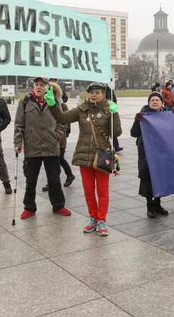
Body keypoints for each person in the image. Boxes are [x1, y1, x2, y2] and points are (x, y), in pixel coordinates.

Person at [48, 82, 121, 236]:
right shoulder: (82, 110)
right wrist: (52, 104)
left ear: (103, 94)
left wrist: (115, 113)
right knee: (88, 191)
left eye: (98, 92)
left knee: (102, 192)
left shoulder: (109, 110)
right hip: (83, 156)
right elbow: (62, 118)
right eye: (91, 92)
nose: (94, 94)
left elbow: (117, 133)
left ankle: (102, 220)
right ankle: (92, 218)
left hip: (102, 157)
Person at [13, 77, 72, 219]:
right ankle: (29, 207)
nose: (38, 87)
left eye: (42, 85)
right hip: (32, 147)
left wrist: (56, 136)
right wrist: (18, 142)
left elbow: (62, 122)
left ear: (47, 87)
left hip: (51, 147)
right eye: (36, 84)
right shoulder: (25, 101)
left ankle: (58, 206)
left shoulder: (54, 101)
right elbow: (19, 124)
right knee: (31, 180)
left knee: (54, 179)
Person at [131, 92, 169, 218]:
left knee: (160, 177)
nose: (154, 101)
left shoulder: (166, 115)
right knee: (147, 178)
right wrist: (137, 121)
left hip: (161, 151)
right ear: (148, 103)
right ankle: (149, 206)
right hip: (146, 151)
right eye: (152, 100)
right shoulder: (143, 115)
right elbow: (133, 133)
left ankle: (157, 204)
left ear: (161, 102)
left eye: (157, 99)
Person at [44, 80, 75, 190]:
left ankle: (69, 175)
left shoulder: (62, 105)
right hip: (49, 138)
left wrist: (62, 135)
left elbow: (67, 122)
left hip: (60, 138)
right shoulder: (45, 104)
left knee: (59, 160)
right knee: (53, 161)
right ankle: (53, 181)